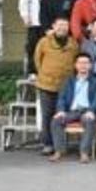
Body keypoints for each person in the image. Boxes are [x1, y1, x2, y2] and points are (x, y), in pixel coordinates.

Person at [32, 18, 79, 156]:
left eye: (65, 25)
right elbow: (37, 60)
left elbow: (76, 61)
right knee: (47, 115)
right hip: (46, 84)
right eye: (59, 25)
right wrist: (44, 73)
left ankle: (60, 144)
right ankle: (48, 144)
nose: (62, 28)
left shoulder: (73, 43)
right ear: (53, 26)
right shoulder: (44, 42)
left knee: (62, 115)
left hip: (65, 85)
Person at [47, 54, 96, 163]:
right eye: (80, 63)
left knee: (90, 121)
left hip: (88, 111)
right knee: (56, 120)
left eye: (86, 63)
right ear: (75, 65)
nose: (83, 65)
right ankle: (59, 151)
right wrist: (60, 111)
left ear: (90, 66)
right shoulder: (68, 81)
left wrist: (91, 111)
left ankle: (84, 153)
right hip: (72, 111)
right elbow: (62, 98)